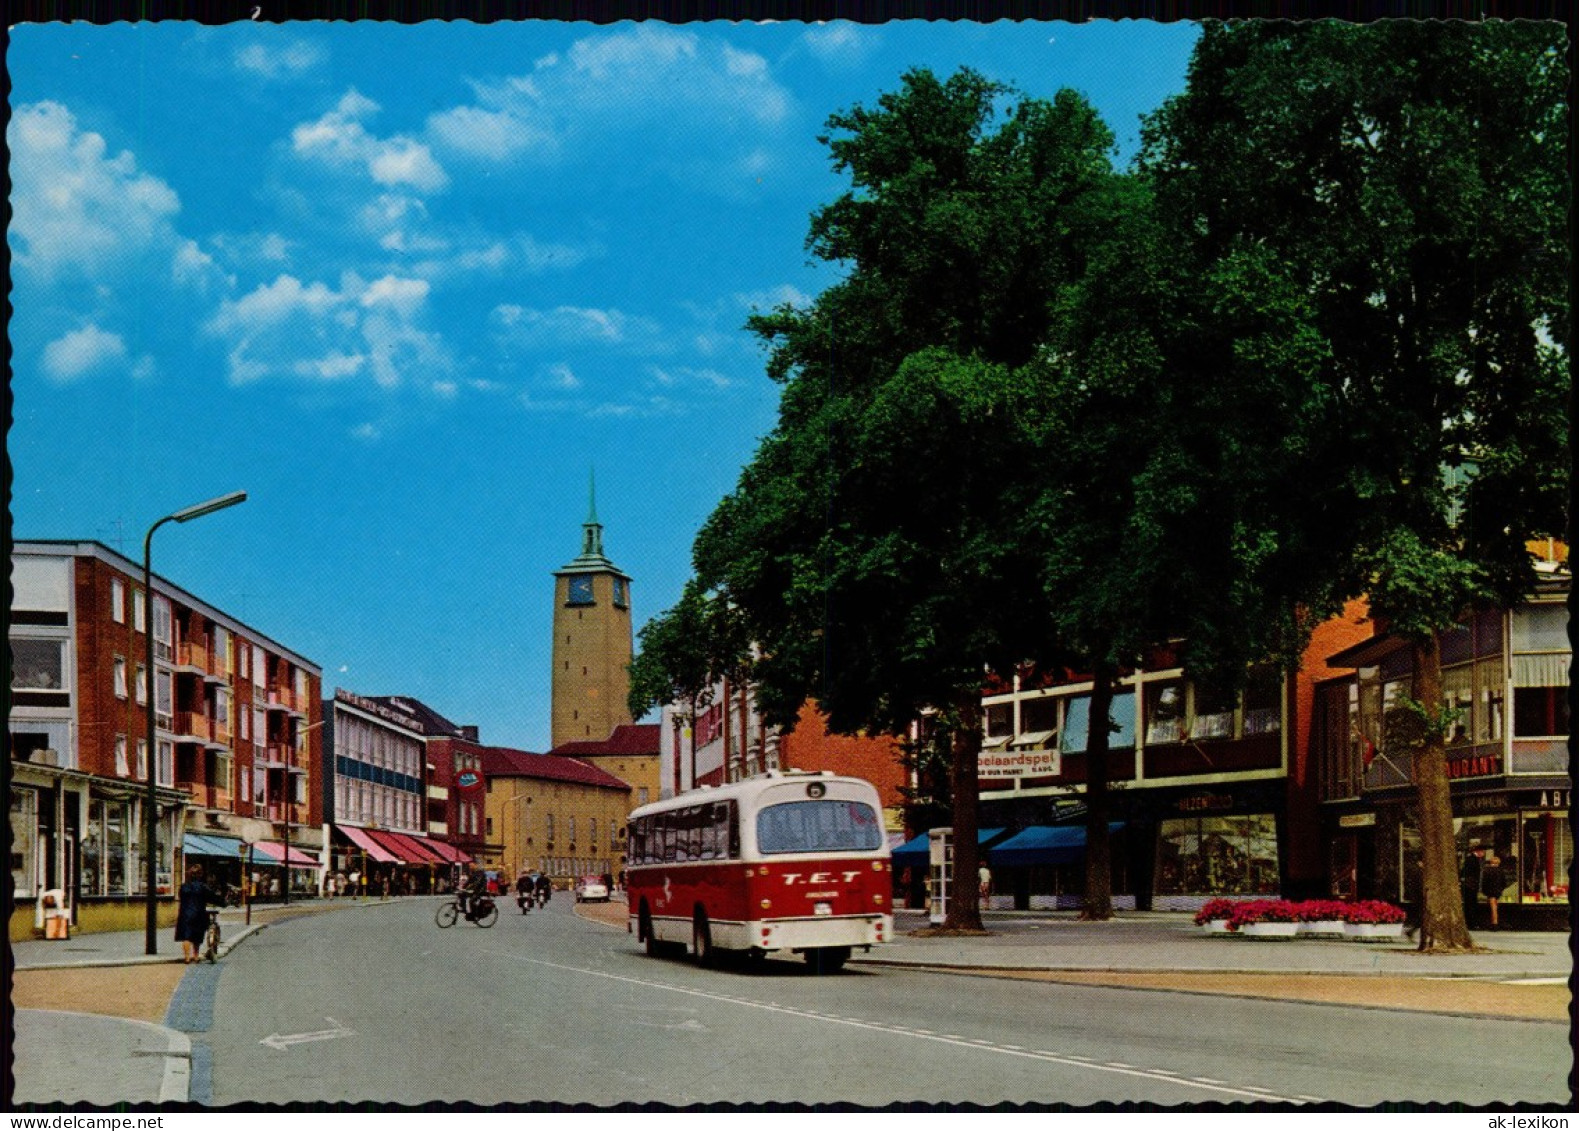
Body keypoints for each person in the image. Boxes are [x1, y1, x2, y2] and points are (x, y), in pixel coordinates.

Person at [175, 864, 220, 964]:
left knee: (186, 937)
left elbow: (181, 898)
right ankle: (195, 956)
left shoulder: (183, 887)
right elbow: (212, 897)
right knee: (197, 936)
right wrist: (222, 902)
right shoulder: (203, 887)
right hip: (199, 913)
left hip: (185, 913)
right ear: (200, 875)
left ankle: (187, 958)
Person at [1460, 845, 1485, 926]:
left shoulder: (1471, 858)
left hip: (1470, 885)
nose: (1484, 853)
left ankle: (1471, 922)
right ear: (1479, 851)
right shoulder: (1472, 859)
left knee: (1470, 904)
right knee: (1471, 904)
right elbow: (1468, 872)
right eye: (1483, 851)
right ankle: (1471, 922)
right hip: (1471, 885)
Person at [1482, 853, 1507, 929]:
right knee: (1494, 905)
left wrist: (1484, 890)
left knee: (1493, 907)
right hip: (1497, 890)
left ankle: (1494, 923)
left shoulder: (1487, 870)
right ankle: (1494, 922)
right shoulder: (1501, 871)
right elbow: (1504, 882)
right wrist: (1501, 889)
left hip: (1490, 890)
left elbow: (1484, 882)